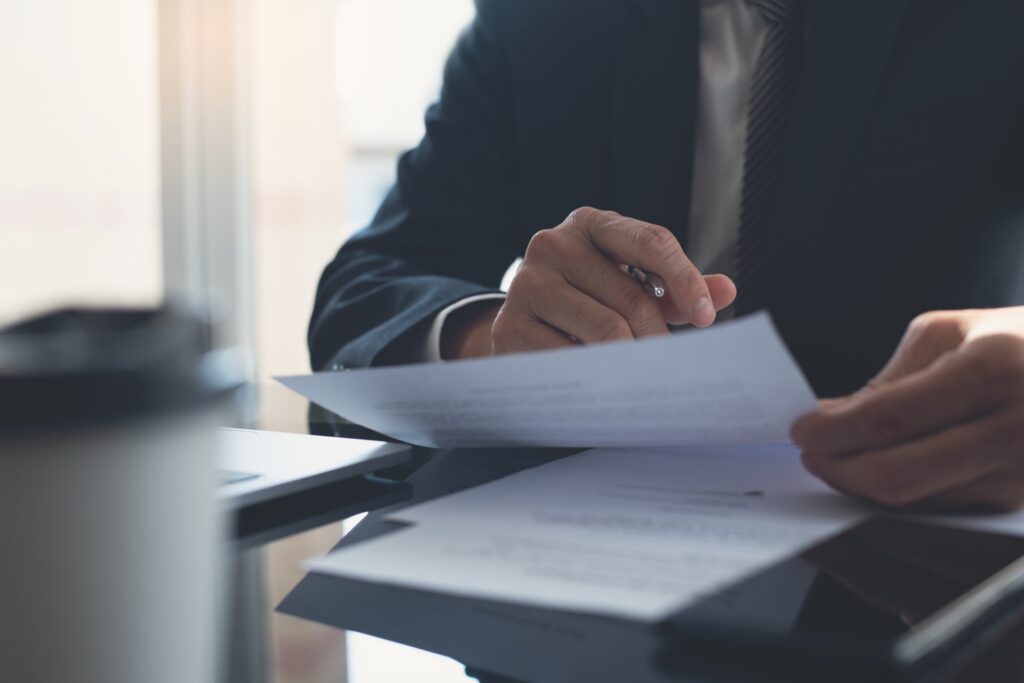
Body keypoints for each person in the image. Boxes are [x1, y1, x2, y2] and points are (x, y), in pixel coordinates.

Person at [310, 0, 1024, 509]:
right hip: (577, 581)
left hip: (914, 572)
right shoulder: (539, 20)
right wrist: (494, 340)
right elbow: (364, 292)